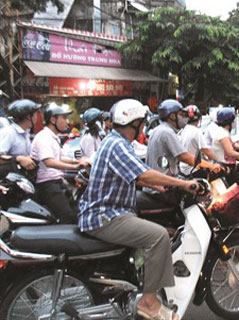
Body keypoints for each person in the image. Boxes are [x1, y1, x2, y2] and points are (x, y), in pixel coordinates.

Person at [78, 99, 196, 320]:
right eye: (141, 123)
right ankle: (148, 302)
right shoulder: (117, 145)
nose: (143, 127)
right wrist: (184, 184)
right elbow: (142, 174)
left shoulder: (116, 141)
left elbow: (133, 174)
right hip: (106, 216)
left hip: (109, 211)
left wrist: (157, 185)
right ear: (135, 123)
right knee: (159, 236)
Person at [146, 100, 220, 204]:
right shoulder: (167, 132)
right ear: (172, 116)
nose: (183, 118)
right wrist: (211, 166)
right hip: (162, 189)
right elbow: (184, 157)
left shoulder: (157, 130)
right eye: (181, 114)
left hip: (157, 185)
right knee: (201, 197)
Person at [31, 103, 89, 223]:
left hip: (57, 182)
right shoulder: (44, 137)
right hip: (47, 185)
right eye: (64, 118)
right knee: (66, 216)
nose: (67, 122)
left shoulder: (54, 137)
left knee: (76, 212)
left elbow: (59, 157)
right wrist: (74, 166)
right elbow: (49, 162)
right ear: (53, 120)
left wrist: (77, 161)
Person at [0, 99, 41, 172]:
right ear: (29, 117)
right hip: (7, 179)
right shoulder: (9, 132)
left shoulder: (25, 133)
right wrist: (19, 159)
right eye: (35, 114)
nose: (37, 117)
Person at [179, 105, 218, 175]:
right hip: (192, 169)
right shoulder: (196, 131)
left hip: (183, 168)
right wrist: (218, 161)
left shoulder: (183, 130)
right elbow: (206, 151)